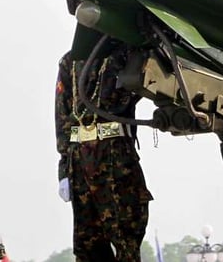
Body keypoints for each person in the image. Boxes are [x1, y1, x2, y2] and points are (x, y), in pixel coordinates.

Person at [55, 41, 153, 262]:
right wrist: (64, 169)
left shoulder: (127, 52)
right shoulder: (70, 61)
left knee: (126, 236)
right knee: (87, 243)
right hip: (80, 159)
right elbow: (62, 115)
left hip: (115, 154)